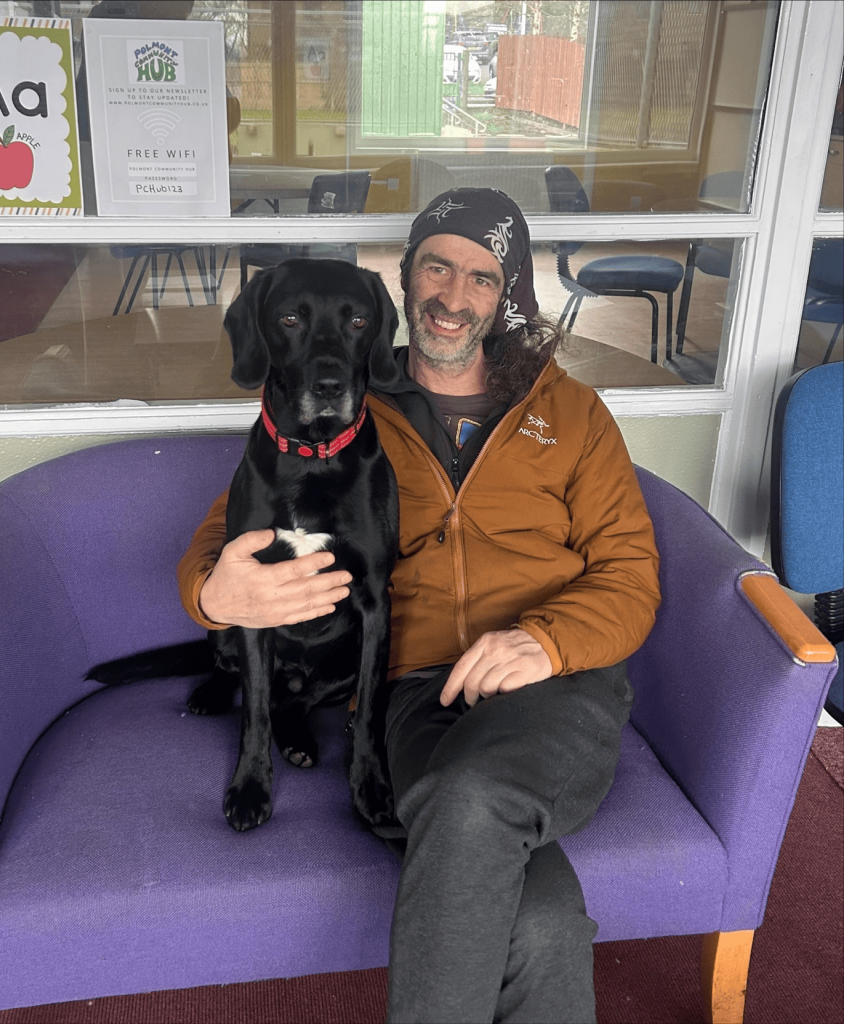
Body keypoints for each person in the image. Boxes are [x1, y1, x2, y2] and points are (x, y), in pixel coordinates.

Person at [177, 187, 661, 1024]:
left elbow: (631, 575)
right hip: (414, 694)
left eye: (481, 276)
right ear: (405, 282)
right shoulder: (354, 410)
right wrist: (212, 592)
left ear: (507, 292)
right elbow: (230, 526)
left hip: (554, 687)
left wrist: (545, 642)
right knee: (538, 921)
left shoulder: (571, 413)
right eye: (436, 266)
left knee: (468, 797)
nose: (453, 295)